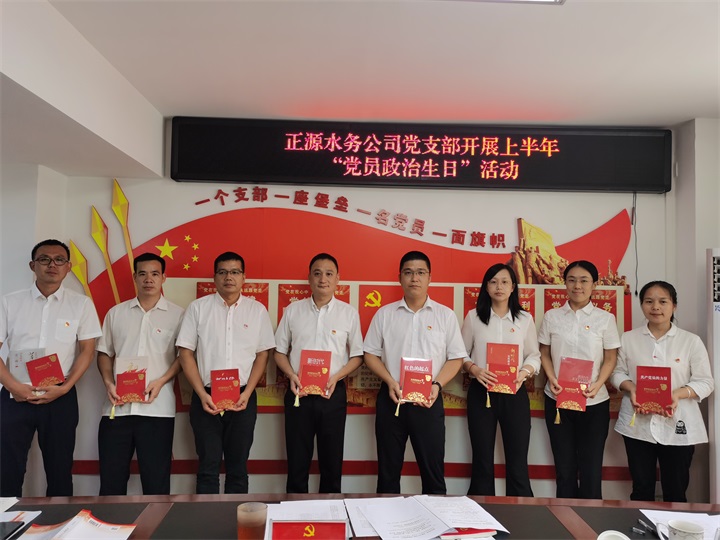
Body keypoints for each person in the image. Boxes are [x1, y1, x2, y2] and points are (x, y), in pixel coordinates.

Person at [0, 239, 102, 496]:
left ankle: (59, 520)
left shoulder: (81, 304)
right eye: (44, 259)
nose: (52, 265)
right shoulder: (9, 302)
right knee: (7, 467)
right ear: (32, 265)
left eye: (59, 260)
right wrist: (14, 387)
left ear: (68, 266)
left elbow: (87, 351)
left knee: (59, 468)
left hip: (59, 395)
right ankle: (6, 519)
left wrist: (65, 388)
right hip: (15, 395)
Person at [363, 250, 466, 494]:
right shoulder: (385, 314)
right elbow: (370, 354)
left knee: (433, 473)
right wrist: (389, 381)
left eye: (421, 272)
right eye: (408, 273)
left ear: (430, 277)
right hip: (392, 399)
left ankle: (434, 518)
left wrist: (437, 385)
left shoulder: (445, 315)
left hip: (429, 400)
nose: (414, 278)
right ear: (400, 277)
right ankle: (387, 518)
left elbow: (456, 357)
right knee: (388, 472)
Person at [176, 251, 275, 494]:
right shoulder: (198, 308)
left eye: (234, 272)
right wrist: (202, 394)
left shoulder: (257, 310)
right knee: (207, 467)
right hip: (206, 396)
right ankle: (207, 518)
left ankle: (235, 517)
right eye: (222, 272)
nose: (228, 277)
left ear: (243, 277)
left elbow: (263, 355)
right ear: (214, 277)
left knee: (238, 467)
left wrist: (247, 393)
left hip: (243, 397)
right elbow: (185, 353)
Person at [611, 281, 714, 502]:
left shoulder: (690, 341)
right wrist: (632, 388)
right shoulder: (628, 339)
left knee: (675, 491)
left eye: (663, 301)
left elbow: (705, 382)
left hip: (678, 423)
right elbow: (617, 373)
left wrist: (677, 394)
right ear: (642, 305)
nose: (655, 307)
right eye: (649, 301)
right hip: (638, 424)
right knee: (641, 489)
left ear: (674, 306)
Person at [274, 253, 364, 493]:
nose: (323, 279)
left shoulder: (348, 313)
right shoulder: (293, 311)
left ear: (337, 279)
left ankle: (331, 512)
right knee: (297, 463)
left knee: (332, 463)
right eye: (317, 273)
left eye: (328, 274)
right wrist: (291, 375)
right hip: (298, 394)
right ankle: (295, 512)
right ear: (309, 278)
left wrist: (336, 377)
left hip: (332, 394)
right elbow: (279, 352)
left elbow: (358, 356)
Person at [96, 252, 184, 495]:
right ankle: (110, 522)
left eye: (155, 274)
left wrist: (162, 381)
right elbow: (104, 353)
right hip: (117, 409)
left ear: (163, 278)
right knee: (111, 482)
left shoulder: (179, 315)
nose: (148, 279)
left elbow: (184, 357)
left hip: (157, 410)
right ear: (135, 277)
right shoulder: (116, 313)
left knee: (156, 484)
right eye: (142, 274)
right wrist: (108, 382)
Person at [539, 260, 620, 499]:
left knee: (591, 468)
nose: (577, 286)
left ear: (594, 285)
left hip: (593, 401)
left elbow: (610, 358)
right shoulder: (552, 316)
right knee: (564, 468)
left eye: (584, 280)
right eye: (572, 280)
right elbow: (544, 353)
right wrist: (551, 377)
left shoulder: (605, 319)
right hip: (557, 399)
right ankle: (564, 515)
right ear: (565, 283)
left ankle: (591, 518)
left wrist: (598, 384)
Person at [461, 263, 540, 497]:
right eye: (493, 282)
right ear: (486, 287)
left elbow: (534, 355)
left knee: (517, 457)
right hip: (481, 392)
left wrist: (524, 372)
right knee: (482, 456)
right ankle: (481, 507)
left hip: (514, 393)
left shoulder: (524, 319)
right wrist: (474, 369)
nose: (499, 287)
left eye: (505, 282)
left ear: (513, 287)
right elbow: (460, 354)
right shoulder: (474, 317)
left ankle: (521, 508)